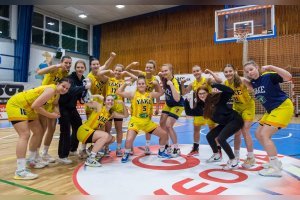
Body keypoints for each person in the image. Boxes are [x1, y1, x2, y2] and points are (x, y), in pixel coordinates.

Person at [6, 78, 71, 180]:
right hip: (17, 105)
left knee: (39, 131)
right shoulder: (51, 90)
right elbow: (36, 106)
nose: (64, 89)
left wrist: (55, 111)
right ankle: (20, 171)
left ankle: (31, 161)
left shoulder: (56, 94)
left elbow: (53, 104)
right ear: (57, 84)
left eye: (67, 88)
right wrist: (51, 115)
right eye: (63, 86)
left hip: (29, 108)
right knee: (25, 135)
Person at [243, 61, 294, 177]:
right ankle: (274, 161)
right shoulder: (254, 83)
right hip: (271, 110)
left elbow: (288, 77)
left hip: (282, 107)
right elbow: (248, 85)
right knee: (258, 133)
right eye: (247, 72)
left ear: (257, 68)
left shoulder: (268, 76)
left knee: (265, 134)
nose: (249, 73)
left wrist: (271, 66)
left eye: (251, 69)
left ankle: (275, 167)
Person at [116, 76, 170, 163]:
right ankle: (126, 153)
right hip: (135, 121)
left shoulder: (150, 94)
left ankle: (161, 151)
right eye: (139, 84)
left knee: (164, 134)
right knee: (129, 139)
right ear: (137, 85)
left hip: (147, 122)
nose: (141, 85)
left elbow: (161, 93)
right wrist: (125, 83)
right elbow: (118, 92)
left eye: (143, 83)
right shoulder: (133, 94)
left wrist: (157, 84)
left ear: (145, 85)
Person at [32, 55, 72, 164]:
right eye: (66, 63)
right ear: (61, 62)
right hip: (43, 98)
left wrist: (56, 107)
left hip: (53, 101)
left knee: (52, 128)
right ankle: (35, 154)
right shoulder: (55, 68)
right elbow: (39, 72)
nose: (68, 65)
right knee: (42, 129)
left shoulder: (65, 75)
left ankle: (45, 153)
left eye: (69, 63)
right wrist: (55, 65)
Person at [201, 83, 244, 170]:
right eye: (199, 94)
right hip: (225, 123)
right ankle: (217, 155)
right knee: (210, 136)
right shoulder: (204, 106)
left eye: (203, 93)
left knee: (221, 139)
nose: (202, 95)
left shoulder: (217, 98)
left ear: (208, 93)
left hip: (235, 120)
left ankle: (233, 161)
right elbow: (191, 112)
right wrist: (187, 103)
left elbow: (230, 91)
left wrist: (215, 85)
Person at [98, 63, 138, 157]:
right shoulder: (109, 79)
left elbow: (135, 78)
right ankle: (106, 147)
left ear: (122, 72)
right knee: (107, 129)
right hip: (108, 106)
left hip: (119, 107)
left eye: (120, 71)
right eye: (116, 70)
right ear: (113, 70)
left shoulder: (124, 81)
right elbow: (99, 74)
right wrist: (108, 71)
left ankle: (119, 148)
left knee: (118, 129)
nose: (117, 72)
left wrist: (126, 72)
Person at [181, 65, 222, 156]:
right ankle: (195, 148)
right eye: (194, 71)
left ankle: (218, 149)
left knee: (213, 129)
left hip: (209, 107)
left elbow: (219, 81)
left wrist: (210, 72)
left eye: (197, 70)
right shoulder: (193, 83)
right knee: (196, 129)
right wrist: (182, 84)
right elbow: (184, 92)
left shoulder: (207, 80)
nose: (196, 72)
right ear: (192, 73)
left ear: (201, 71)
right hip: (199, 109)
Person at [77, 95, 129, 167]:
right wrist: (97, 96)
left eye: (112, 100)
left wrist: (123, 104)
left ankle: (91, 149)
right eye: (108, 100)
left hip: (91, 134)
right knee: (106, 135)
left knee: (112, 139)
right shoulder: (99, 106)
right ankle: (91, 159)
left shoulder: (111, 114)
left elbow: (126, 115)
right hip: (84, 131)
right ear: (104, 102)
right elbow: (83, 100)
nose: (110, 101)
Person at [223, 64, 256, 168]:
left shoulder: (242, 80)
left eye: (230, 71)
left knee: (245, 130)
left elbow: (252, 88)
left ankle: (251, 158)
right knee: (236, 132)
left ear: (235, 71)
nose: (228, 73)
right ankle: (236, 156)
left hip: (248, 107)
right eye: (226, 72)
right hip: (236, 108)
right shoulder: (225, 83)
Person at [58, 60, 90, 164]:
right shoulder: (70, 78)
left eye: (82, 67)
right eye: (78, 67)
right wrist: (84, 88)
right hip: (63, 107)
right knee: (65, 131)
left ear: (85, 69)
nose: (80, 69)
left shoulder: (84, 80)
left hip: (72, 107)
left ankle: (72, 149)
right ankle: (62, 155)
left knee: (78, 126)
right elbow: (71, 90)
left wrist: (84, 98)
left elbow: (80, 94)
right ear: (75, 68)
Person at [125, 59, 160, 155]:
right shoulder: (141, 73)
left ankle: (147, 146)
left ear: (154, 69)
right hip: (137, 102)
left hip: (147, 104)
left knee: (147, 126)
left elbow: (158, 93)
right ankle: (130, 148)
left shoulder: (155, 80)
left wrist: (157, 107)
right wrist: (132, 63)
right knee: (132, 125)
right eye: (147, 67)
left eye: (150, 67)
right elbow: (127, 69)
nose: (148, 69)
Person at [159, 63, 184, 158]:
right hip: (169, 104)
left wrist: (171, 85)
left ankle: (176, 148)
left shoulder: (175, 82)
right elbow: (160, 75)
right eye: (163, 71)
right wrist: (160, 75)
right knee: (162, 124)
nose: (164, 72)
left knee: (169, 125)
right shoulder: (164, 78)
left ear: (171, 71)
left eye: (166, 70)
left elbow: (177, 98)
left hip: (177, 105)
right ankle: (167, 145)